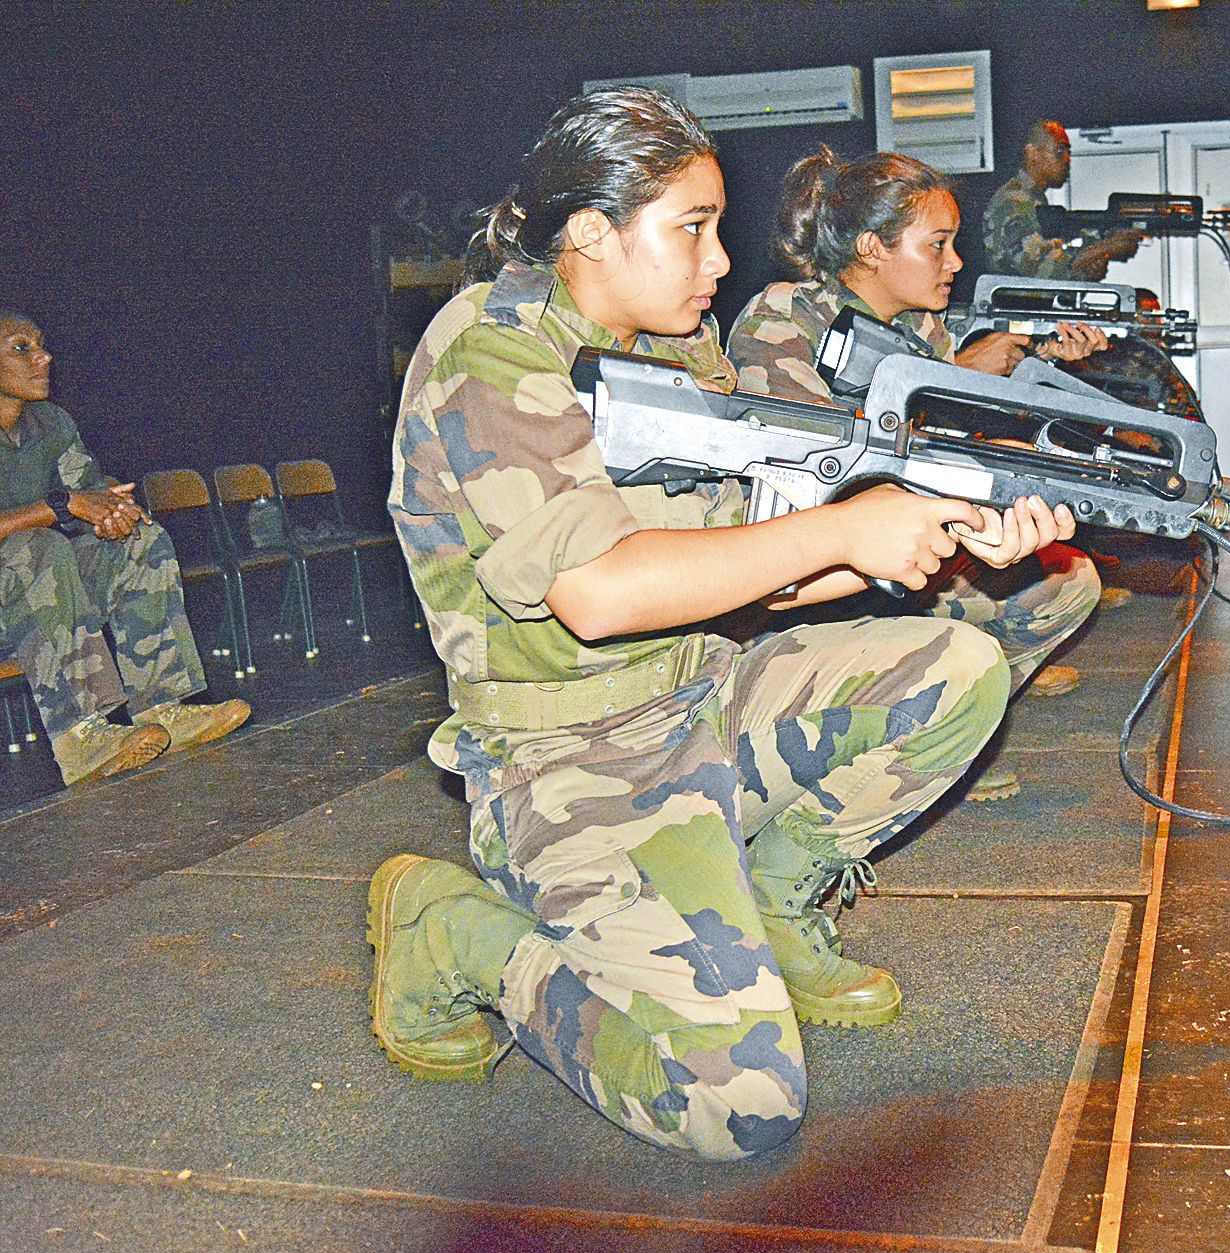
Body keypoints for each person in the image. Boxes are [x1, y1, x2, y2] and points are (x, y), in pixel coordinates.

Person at [374, 88, 1072, 1162]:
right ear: (591, 233)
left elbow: (754, 580)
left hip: (704, 695)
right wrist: (847, 532)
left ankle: (778, 905)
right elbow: (600, 592)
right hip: (567, 755)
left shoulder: (680, 353)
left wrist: (940, 533)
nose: (720, 261)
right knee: (735, 1106)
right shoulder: (492, 353)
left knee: (958, 663)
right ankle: (452, 931)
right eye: (691, 229)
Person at [724, 146, 1106, 801]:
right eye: (937, 245)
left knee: (1066, 583)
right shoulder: (786, 316)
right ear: (872, 247)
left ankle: (963, 719)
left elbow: (949, 449)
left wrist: (1038, 372)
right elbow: (826, 466)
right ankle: (892, 742)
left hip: (902, 549)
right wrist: (958, 381)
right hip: (808, 576)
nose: (955, 263)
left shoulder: (922, 327)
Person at [0, 310, 250, 786]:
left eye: (40, 344)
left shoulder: (50, 422)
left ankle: (163, 706)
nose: (43, 356)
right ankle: (79, 737)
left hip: (45, 596)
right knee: (37, 545)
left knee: (141, 538)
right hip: (14, 595)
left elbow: (87, 489)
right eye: (21, 348)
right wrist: (62, 506)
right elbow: (64, 505)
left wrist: (114, 511)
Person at [983, 120, 1142, 282]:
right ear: (1033, 153)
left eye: (1068, 152)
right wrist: (1106, 247)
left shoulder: (1033, 200)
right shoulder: (1014, 200)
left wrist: (1089, 269)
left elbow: (1052, 275)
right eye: (1059, 150)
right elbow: (1037, 267)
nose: (1067, 159)